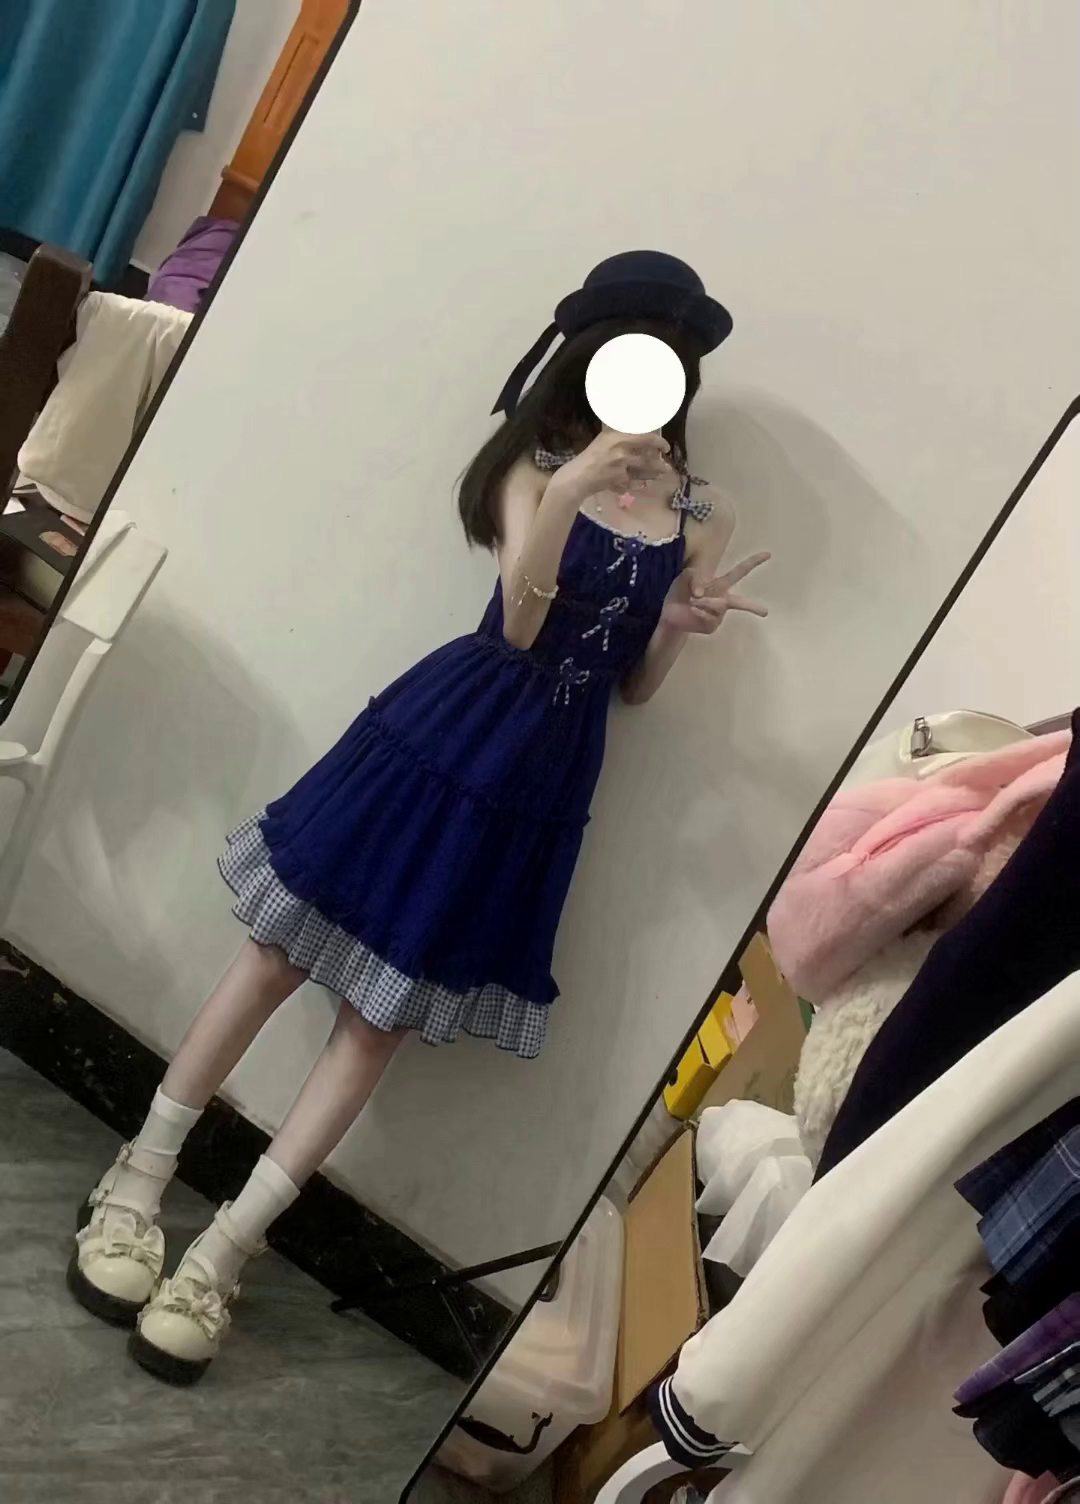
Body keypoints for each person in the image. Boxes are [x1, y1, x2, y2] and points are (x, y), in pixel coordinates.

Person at [68, 250, 770, 1384]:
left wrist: (679, 626)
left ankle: (224, 1253)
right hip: (447, 730)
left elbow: (631, 689)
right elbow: (521, 626)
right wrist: (574, 491)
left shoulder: (703, 512)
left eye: (671, 362)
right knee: (275, 956)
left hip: (544, 782)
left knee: (377, 1022)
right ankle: (135, 1181)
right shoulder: (533, 467)